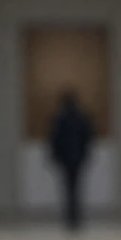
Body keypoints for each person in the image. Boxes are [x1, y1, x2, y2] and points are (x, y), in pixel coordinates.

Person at [48, 91, 94, 231]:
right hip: (78, 157)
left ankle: (70, 216)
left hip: (65, 158)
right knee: (76, 187)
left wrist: (55, 156)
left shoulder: (60, 119)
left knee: (68, 188)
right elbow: (88, 138)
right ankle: (75, 216)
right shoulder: (82, 118)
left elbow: (54, 139)